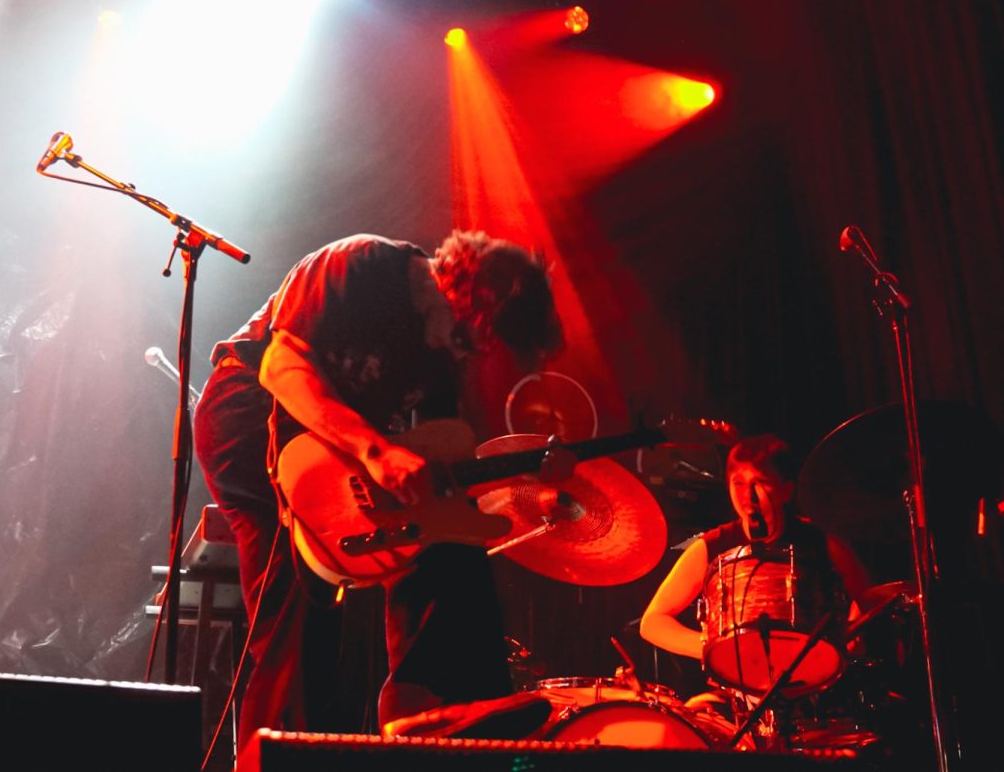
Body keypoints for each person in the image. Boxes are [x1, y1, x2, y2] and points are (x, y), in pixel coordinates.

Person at [193, 231, 564, 751]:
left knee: (451, 541)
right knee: (300, 607)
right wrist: (375, 451)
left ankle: (433, 704)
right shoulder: (362, 264)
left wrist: (510, 491)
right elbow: (282, 367)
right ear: (466, 292)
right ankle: (274, 752)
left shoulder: (439, 352)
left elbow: (444, 450)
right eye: (462, 338)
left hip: (340, 450)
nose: (454, 352)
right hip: (252, 417)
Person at [640, 434, 870, 671]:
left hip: (814, 678)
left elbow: (869, 600)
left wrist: (852, 631)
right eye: (738, 483)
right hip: (741, 686)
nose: (747, 497)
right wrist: (715, 646)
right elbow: (652, 622)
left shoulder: (822, 540)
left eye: (759, 483)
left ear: (785, 491)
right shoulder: (713, 546)